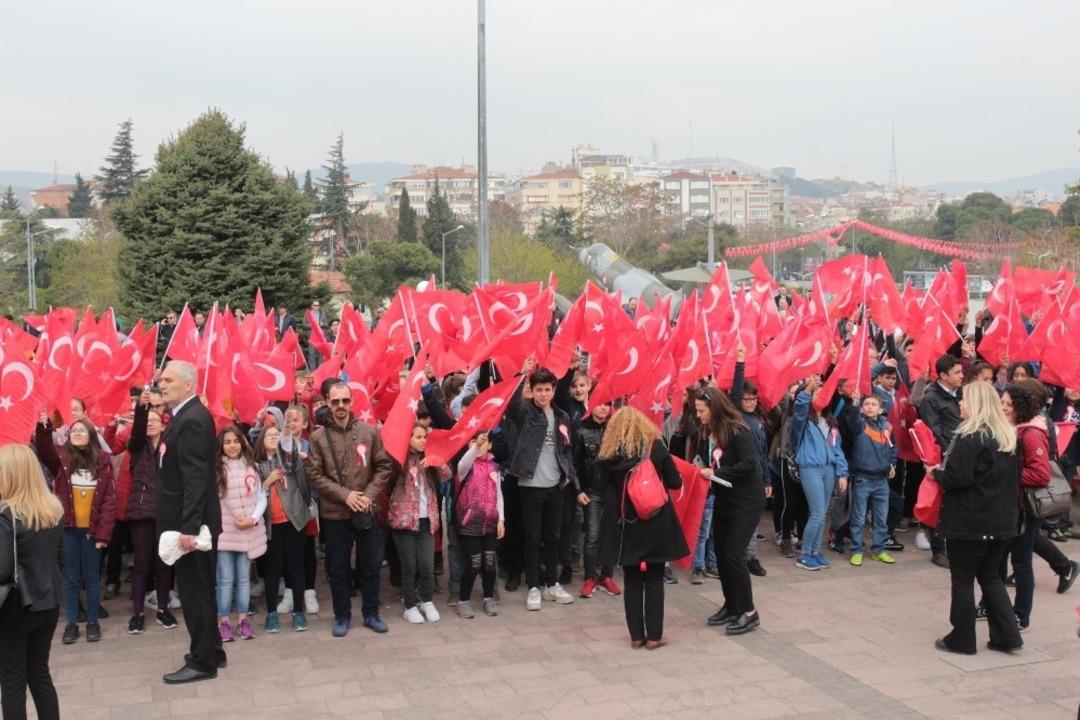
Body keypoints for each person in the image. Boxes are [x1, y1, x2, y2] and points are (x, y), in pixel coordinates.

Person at [930, 380, 1023, 656]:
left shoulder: (972, 437)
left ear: (977, 405)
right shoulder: (1006, 436)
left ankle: (962, 638)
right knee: (991, 577)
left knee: (962, 580)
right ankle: (1008, 636)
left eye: (964, 400)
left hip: (971, 522)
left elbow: (955, 478)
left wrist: (935, 473)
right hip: (1001, 523)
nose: (960, 404)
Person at [305, 381, 394, 638]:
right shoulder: (318, 438)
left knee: (370, 565)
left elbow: (383, 467)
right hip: (335, 513)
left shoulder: (369, 432)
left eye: (345, 401)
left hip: (366, 510)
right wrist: (346, 496)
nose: (341, 406)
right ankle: (342, 615)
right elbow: (314, 475)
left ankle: (371, 613)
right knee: (337, 568)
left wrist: (367, 496)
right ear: (327, 403)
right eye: (335, 402)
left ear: (352, 401)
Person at [597, 407, 688, 649]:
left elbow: (601, 488)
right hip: (655, 521)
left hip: (625, 524)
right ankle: (655, 636)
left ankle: (636, 636)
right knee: (655, 578)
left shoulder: (609, 455)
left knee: (632, 578)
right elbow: (675, 482)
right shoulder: (655, 448)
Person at [156, 360, 224, 684]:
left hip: (192, 525)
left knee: (195, 593)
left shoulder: (193, 418)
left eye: (168, 379)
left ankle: (202, 662)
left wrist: (189, 529)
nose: (161, 383)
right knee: (201, 590)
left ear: (187, 384)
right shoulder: (184, 416)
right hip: (190, 521)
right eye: (161, 379)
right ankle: (214, 650)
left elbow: (196, 478)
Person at [33, 417, 117, 645]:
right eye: (74, 430)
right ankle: (71, 623)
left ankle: (92, 622)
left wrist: (103, 534)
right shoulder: (61, 459)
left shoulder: (104, 461)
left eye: (82, 430)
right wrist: (44, 426)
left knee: (91, 578)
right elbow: (43, 448)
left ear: (91, 434)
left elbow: (109, 501)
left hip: (91, 533)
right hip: (68, 531)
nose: (77, 433)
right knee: (69, 579)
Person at [505, 364, 581, 611]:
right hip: (530, 485)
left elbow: (567, 449)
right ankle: (534, 587)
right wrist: (520, 374)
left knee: (553, 537)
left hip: (555, 485)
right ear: (532, 390)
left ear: (554, 390)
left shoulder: (562, 417)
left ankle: (552, 583)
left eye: (547, 389)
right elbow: (511, 405)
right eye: (539, 390)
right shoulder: (527, 413)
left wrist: (568, 474)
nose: (544, 394)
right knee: (532, 537)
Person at [0, 445, 64, 720]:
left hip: (16, 607)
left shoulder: (7, 516)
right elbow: (60, 558)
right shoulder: (52, 509)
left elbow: (2, 568)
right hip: (47, 602)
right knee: (39, 673)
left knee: (12, 681)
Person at [695, 388, 765, 635]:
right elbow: (708, 461)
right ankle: (732, 605)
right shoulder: (708, 433)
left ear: (715, 409)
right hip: (724, 498)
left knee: (734, 555)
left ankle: (749, 611)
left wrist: (716, 474)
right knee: (723, 555)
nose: (698, 415)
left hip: (746, 501)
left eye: (702, 410)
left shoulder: (739, 430)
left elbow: (748, 464)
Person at [123, 390, 177, 635]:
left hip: (166, 513)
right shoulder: (137, 446)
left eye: (156, 420)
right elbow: (137, 430)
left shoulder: (170, 444)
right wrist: (142, 410)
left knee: (164, 563)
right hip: (142, 513)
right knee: (143, 564)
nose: (151, 424)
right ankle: (137, 613)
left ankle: (163, 609)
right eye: (148, 421)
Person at [386, 424, 451, 624]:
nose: (423, 440)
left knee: (427, 565)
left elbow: (448, 475)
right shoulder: (400, 459)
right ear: (408, 438)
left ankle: (427, 600)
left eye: (425, 437)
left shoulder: (429, 458)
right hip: (404, 521)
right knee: (409, 566)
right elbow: (387, 474)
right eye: (418, 437)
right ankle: (409, 605)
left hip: (426, 521)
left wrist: (436, 461)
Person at [1000, 383, 1050, 630]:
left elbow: (1041, 474)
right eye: (1003, 403)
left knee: (1021, 561)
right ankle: (995, 606)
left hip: (1025, 509)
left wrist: (1009, 475)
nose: (1004, 408)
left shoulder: (1031, 433)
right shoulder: (1014, 429)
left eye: (1009, 404)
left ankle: (1021, 614)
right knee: (1001, 559)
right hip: (1010, 505)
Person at [789, 376, 849, 571]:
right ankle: (804, 554)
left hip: (829, 469)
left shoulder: (830, 422)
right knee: (816, 513)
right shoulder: (803, 421)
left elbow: (837, 450)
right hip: (810, 468)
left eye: (823, 393)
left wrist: (842, 473)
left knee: (823, 514)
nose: (820, 396)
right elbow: (799, 409)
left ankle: (815, 551)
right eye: (817, 392)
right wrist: (807, 391)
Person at [255, 425, 310, 633]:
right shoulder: (256, 465)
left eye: (276, 435)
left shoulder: (287, 460)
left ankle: (298, 611)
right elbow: (252, 494)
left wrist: (288, 440)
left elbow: (297, 465)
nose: (273, 437)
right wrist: (266, 483)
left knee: (296, 568)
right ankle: (271, 613)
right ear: (261, 440)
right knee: (273, 570)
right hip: (271, 526)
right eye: (269, 435)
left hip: (294, 522)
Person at [215, 427, 266, 642]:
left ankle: (243, 620)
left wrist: (253, 518)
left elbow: (261, 496)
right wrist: (238, 518)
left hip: (247, 533)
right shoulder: (216, 469)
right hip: (226, 534)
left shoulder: (251, 467)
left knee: (244, 579)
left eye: (236, 441)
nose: (232, 445)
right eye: (227, 442)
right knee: (225, 579)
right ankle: (223, 622)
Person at [838, 393, 898, 567]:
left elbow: (893, 448)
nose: (870, 407)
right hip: (863, 479)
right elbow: (853, 420)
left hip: (882, 481)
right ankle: (857, 550)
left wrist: (892, 464)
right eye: (867, 404)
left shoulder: (888, 426)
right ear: (862, 409)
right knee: (858, 518)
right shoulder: (859, 425)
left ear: (881, 409)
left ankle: (879, 550)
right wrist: (856, 403)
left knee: (881, 518)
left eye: (873, 404)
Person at [918, 354, 965, 569]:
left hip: (960, 454)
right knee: (939, 503)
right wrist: (949, 454)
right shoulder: (931, 398)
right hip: (940, 457)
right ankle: (938, 550)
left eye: (961, 371)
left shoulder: (962, 394)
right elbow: (933, 432)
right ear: (943, 375)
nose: (961, 376)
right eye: (957, 373)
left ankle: (953, 545)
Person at [572, 401, 620, 598]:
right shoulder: (581, 430)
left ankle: (607, 576)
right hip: (591, 491)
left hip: (614, 491)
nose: (603, 408)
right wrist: (578, 490)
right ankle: (590, 577)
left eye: (607, 404)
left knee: (611, 535)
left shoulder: (616, 428)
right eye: (599, 403)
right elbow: (573, 463)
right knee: (592, 535)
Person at [454, 433, 504, 617]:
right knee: (474, 563)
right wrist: (475, 448)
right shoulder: (466, 467)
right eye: (474, 442)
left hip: (490, 523)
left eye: (483, 442)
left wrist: (501, 519)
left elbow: (499, 495)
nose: (479, 445)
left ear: (490, 445)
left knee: (489, 562)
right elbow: (463, 463)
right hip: (469, 523)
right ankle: (463, 601)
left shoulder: (494, 467)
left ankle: (488, 598)